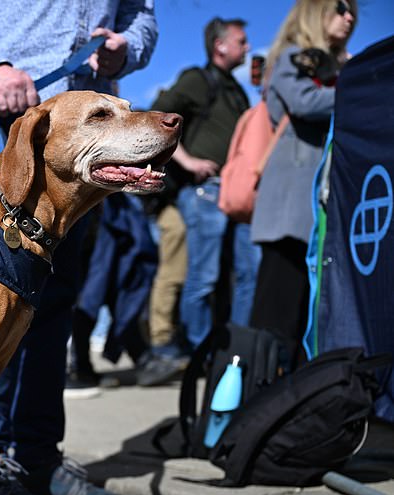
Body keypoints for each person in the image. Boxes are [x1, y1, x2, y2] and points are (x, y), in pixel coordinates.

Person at [0, 0, 157, 495]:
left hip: (88, 119)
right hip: (10, 103)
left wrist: (128, 47)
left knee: (55, 296)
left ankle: (36, 455)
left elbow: (142, 14)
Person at [139, 18, 256, 386]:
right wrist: (187, 161)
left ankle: (232, 351)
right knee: (201, 278)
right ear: (220, 45)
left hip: (232, 192)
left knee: (239, 275)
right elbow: (157, 115)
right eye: (241, 41)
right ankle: (198, 353)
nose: (248, 47)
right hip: (203, 193)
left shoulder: (235, 90)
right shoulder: (196, 78)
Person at [250, 0, 357, 366]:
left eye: (352, 11)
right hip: (289, 209)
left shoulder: (339, 68)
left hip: (316, 209)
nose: (350, 17)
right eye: (340, 7)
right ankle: (257, 404)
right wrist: (358, 87)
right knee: (275, 319)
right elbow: (304, 102)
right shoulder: (292, 57)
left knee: (301, 320)